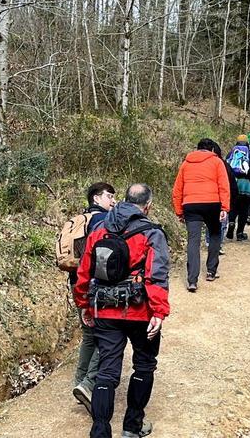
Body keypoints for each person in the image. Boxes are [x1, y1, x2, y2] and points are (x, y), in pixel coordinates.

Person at [74, 183, 170, 438]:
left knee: (106, 370)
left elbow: (84, 270)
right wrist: (159, 312)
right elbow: (156, 276)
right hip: (140, 311)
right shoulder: (152, 233)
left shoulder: (99, 229)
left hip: (104, 310)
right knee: (144, 365)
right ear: (147, 205)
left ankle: (100, 431)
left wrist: (84, 303)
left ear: (124, 200)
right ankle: (132, 426)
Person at [72, 182, 117, 415]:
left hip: (76, 282)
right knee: (106, 336)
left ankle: (79, 383)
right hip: (93, 285)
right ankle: (88, 384)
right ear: (96, 198)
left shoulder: (80, 219)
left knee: (88, 335)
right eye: (109, 196)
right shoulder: (101, 221)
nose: (113, 201)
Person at [171, 138, 230, 291]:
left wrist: (179, 211)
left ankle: (192, 280)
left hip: (191, 205)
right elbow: (224, 186)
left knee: (193, 241)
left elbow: (177, 190)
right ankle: (211, 271)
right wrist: (225, 208)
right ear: (211, 150)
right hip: (212, 204)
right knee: (215, 234)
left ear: (196, 149)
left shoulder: (186, 164)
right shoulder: (217, 162)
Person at [225, 135, 250, 241]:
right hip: (247, 185)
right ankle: (240, 232)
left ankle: (231, 222)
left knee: (233, 206)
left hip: (234, 184)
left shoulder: (232, 153)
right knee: (245, 209)